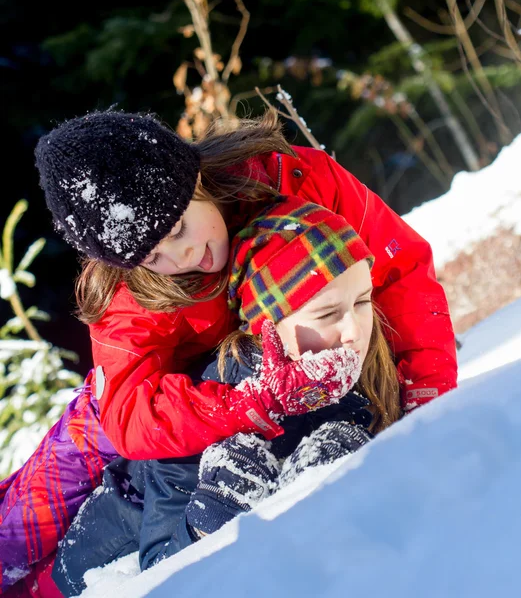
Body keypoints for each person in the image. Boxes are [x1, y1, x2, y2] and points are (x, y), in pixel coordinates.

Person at [0, 107, 457, 595]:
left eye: (177, 229)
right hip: (162, 401)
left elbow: (398, 269)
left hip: (260, 371)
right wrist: (246, 403)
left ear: (194, 178)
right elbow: (127, 413)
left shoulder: (293, 179)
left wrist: (428, 404)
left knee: (102, 542)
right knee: (32, 511)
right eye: (154, 256)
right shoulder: (127, 287)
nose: (181, 258)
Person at [51, 197, 402, 597]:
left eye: (362, 301)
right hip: (97, 563)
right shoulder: (217, 401)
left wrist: (331, 462)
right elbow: (160, 574)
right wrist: (215, 508)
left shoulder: (336, 379)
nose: (355, 330)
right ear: (265, 325)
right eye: (326, 314)